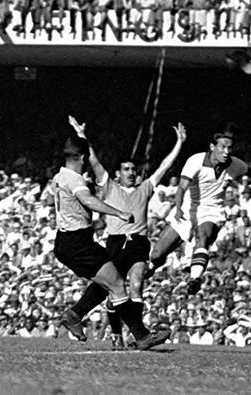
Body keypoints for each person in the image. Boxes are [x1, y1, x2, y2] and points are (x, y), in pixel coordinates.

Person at [63, 116, 186, 350]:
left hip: (139, 243)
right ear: (118, 173)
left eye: (133, 169)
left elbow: (165, 167)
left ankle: (136, 334)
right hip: (116, 242)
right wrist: (81, 135)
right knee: (110, 287)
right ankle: (117, 334)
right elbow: (93, 159)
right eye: (126, 169)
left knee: (137, 283)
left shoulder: (145, 188)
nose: (131, 172)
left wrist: (179, 143)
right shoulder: (109, 186)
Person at [146, 125, 251, 294]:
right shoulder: (196, 161)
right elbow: (181, 188)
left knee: (203, 237)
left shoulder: (234, 164)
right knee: (157, 254)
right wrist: (178, 209)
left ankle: (195, 279)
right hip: (187, 209)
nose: (227, 152)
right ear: (212, 147)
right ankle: (151, 266)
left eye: (230, 148)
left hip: (212, 211)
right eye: (223, 147)